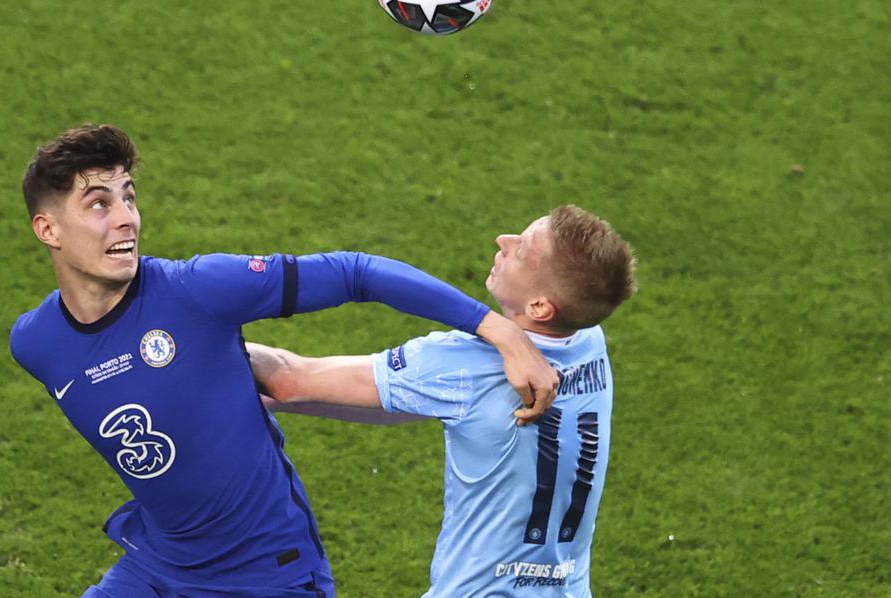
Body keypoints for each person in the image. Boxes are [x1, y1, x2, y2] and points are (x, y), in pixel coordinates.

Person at [7, 124, 559, 597]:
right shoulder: (35, 343)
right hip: (160, 567)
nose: (126, 218)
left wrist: (500, 331)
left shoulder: (197, 290)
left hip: (268, 576)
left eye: (129, 196)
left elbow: (355, 271)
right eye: (99, 204)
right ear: (47, 230)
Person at [249, 205, 637, 597]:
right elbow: (398, 402)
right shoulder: (589, 341)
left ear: (540, 307)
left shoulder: (462, 365)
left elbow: (290, 377)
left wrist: (194, 336)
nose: (504, 240)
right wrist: (282, 402)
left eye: (522, 248)